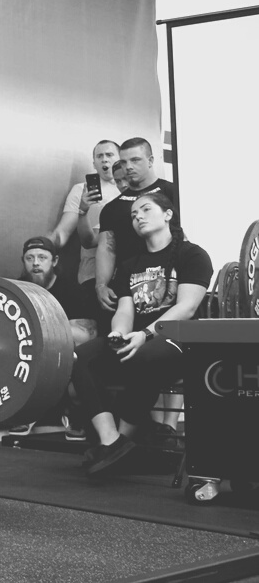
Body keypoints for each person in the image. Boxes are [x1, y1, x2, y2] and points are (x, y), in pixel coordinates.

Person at [71, 192, 212, 476]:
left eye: (146, 210)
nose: (138, 217)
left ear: (168, 215)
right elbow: (124, 310)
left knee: (142, 357)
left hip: (177, 339)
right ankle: (112, 441)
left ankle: (124, 440)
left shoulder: (192, 254)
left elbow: (187, 307)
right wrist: (118, 333)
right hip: (137, 337)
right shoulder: (130, 264)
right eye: (134, 215)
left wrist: (145, 334)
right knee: (83, 356)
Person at [7, 236, 96, 439]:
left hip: (62, 357)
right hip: (26, 354)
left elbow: (86, 335)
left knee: (80, 357)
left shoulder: (72, 291)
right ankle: (25, 412)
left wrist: (42, 328)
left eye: (42, 257)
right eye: (29, 258)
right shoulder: (17, 290)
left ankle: (73, 415)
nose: (36, 263)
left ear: (54, 261)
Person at [94, 137, 179, 314]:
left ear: (151, 161)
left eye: (135, 160)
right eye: (124, 162)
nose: (129, 167)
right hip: (130, 286)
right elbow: (107, 248)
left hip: (172, 278)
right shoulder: (112, 208)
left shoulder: (174, 193)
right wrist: (101, 284)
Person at [48, 140, 121, 331]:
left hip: (126, 273)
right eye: (99, 156)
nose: (105, 160)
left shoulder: (132, 190)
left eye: (110, 155)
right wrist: (44, 245)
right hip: (92, 275)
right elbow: (64, 232)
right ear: (94, 163)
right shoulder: (82, 190)